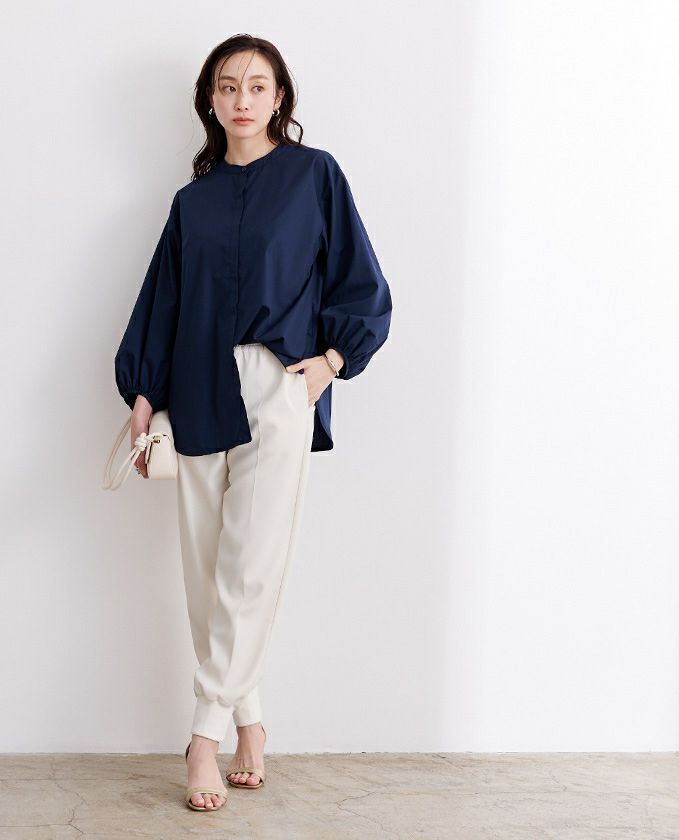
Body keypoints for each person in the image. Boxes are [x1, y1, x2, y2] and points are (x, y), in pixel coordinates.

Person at [113, 34, 392, 812]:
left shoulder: (314, 176)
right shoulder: (192, 202)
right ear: (210, 100)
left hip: (278, 384)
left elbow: (363, 281)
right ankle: (252, 723)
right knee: (208, 574)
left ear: (280, 98)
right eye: (228, 86)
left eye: (257, 85)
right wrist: (142, 396)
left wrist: (331, 361)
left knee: (250, 568)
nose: (242, 98)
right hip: (197, 386)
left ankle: (201, 738)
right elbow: (162, 303)